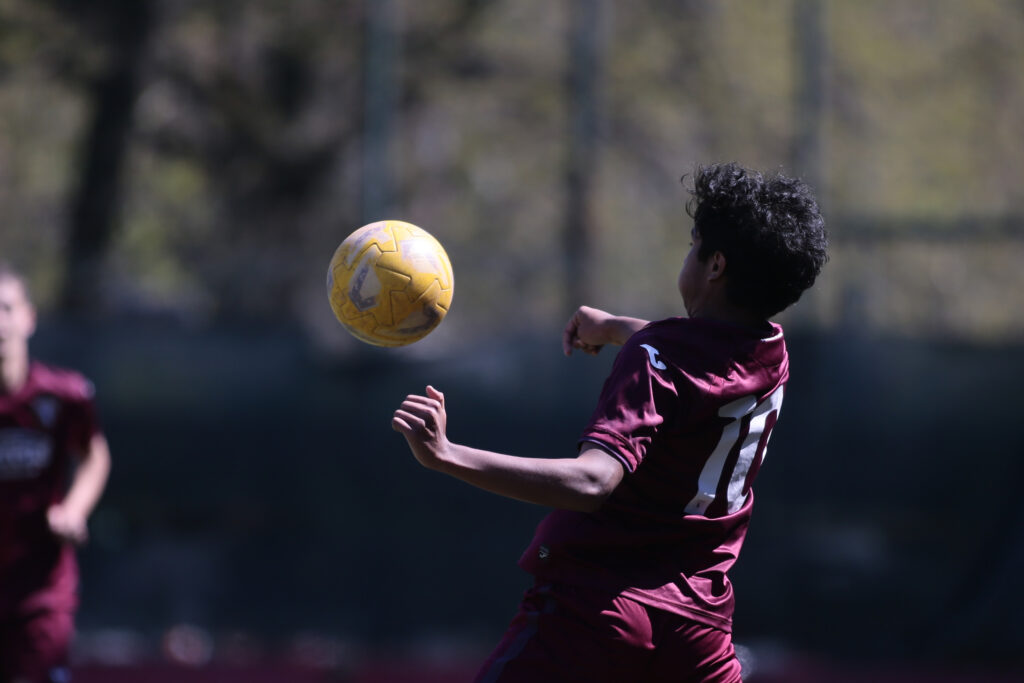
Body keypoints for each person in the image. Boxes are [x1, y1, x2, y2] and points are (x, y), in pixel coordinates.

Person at [392, 162, 828, 682]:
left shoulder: (655, 357)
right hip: (698, 634)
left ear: (715, 265)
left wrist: (447, 454)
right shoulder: (772, 355)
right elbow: (701, 365)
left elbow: (593, 481)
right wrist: (618, 327)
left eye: (693, 245)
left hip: (597, 613)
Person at [0, 264, 111, 683]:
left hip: (40, 592)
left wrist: (74, 510)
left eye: (6, 308)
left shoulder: (62, 396)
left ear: (28, 318)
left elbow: (94, 455)